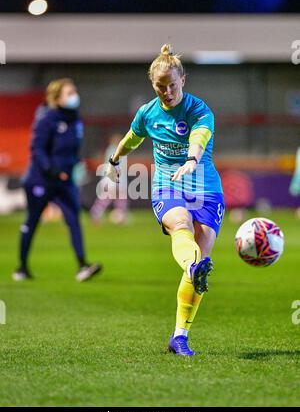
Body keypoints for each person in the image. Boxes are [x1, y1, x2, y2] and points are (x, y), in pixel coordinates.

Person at [106, 44, 224, 356]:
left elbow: (199, 136)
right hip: (166, 186)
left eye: (173, 85)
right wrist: (115, 159)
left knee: (204, 243)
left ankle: (179, 335)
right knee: (181, 227)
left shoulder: (200, 110)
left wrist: (192, 159)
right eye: (161, 86)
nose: (168, 92)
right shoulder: (147, 113)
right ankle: (191, 265)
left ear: (183, 80)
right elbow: (133, 137)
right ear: (153, 85)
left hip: (205, 185)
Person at [13, 78, 101, 282]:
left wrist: (74, 163)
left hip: (64, 180)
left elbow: (71, 149)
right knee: (32, 221)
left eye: (74, 91)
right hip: (40, 180)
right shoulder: (46, 118)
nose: (74, 96)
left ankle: (82, 265)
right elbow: (37, 149)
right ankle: (22, 267)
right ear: (57, 98)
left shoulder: (76, 120)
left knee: (74, 220)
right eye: (69, 93)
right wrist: (51, 170)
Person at [90, 133, 129, 225]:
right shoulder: (114, 150)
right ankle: (96, 214)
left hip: (116, 180)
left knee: (120, 198)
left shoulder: (117, 150)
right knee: (107, 198)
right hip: (112, 180)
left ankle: (120, 216)